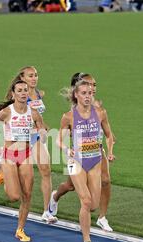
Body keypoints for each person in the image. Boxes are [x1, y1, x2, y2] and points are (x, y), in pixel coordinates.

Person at [49, 73, 116, 232]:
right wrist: (68, 147)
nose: (92, 88)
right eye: (88, 86)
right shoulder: (72, 113)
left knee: (105, 180)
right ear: (77, 92)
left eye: (94, 86)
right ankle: (55, 196)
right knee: (70, 186)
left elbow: (107, 131)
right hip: (77, 157)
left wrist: (110, 144)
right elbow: (63, 136)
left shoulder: (98, 109)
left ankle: (102, 217)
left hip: (96, 152)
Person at [0, 80, 46, 242]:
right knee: (14, 196)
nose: (24, 93)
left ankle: (20, 229)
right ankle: (2, 172)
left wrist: (42, 133)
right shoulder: (6, 112)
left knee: (27, 194)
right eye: (20, 90)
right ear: (13, 94)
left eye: (25, 90)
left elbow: (42, 128)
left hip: (25, 155)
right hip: (9, 156)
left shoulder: (33, 113)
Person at [0, 66, 56, 224]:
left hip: (36, 135)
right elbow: (6, 120)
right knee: (26, 179)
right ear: (22, 78)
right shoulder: (18, 95)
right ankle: (4, 170)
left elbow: (36, 116)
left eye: (36, 75)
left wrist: (43, 126)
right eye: (30, 76)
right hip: (21, 139)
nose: (34, 78)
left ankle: (46, 211)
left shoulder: (37, 93)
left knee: (46, 170)